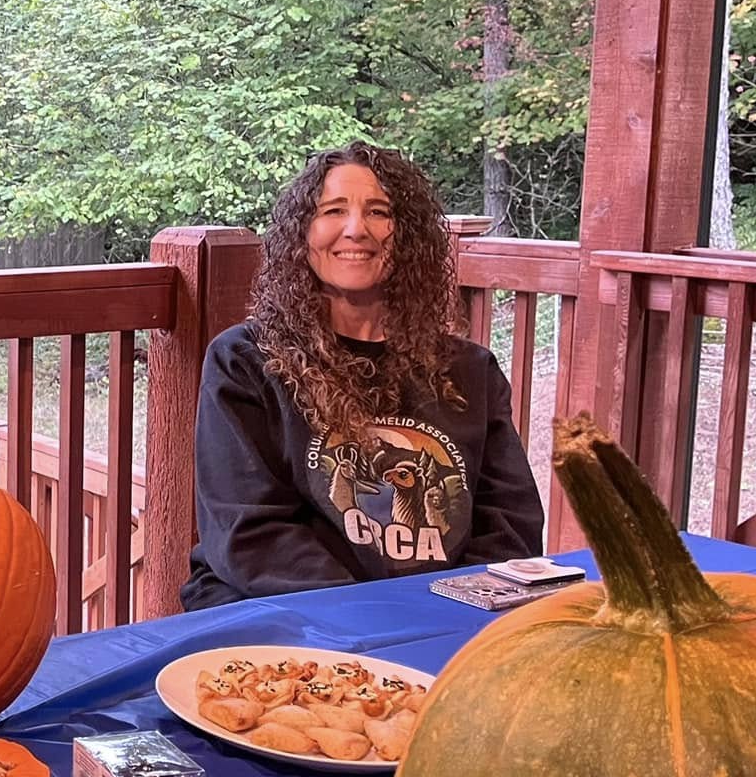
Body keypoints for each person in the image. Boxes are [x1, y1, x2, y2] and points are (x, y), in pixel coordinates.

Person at [184, 141, 544, 610]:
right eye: (332, 210)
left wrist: (450, 609)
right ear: (301, 233)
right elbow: (248, 532)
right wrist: (374, 615)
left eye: (379, 212)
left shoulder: (469, 372)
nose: (356, 230)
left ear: (409, 236)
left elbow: (510, 526)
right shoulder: (247, 361)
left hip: (440, 611)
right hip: (281, 610)